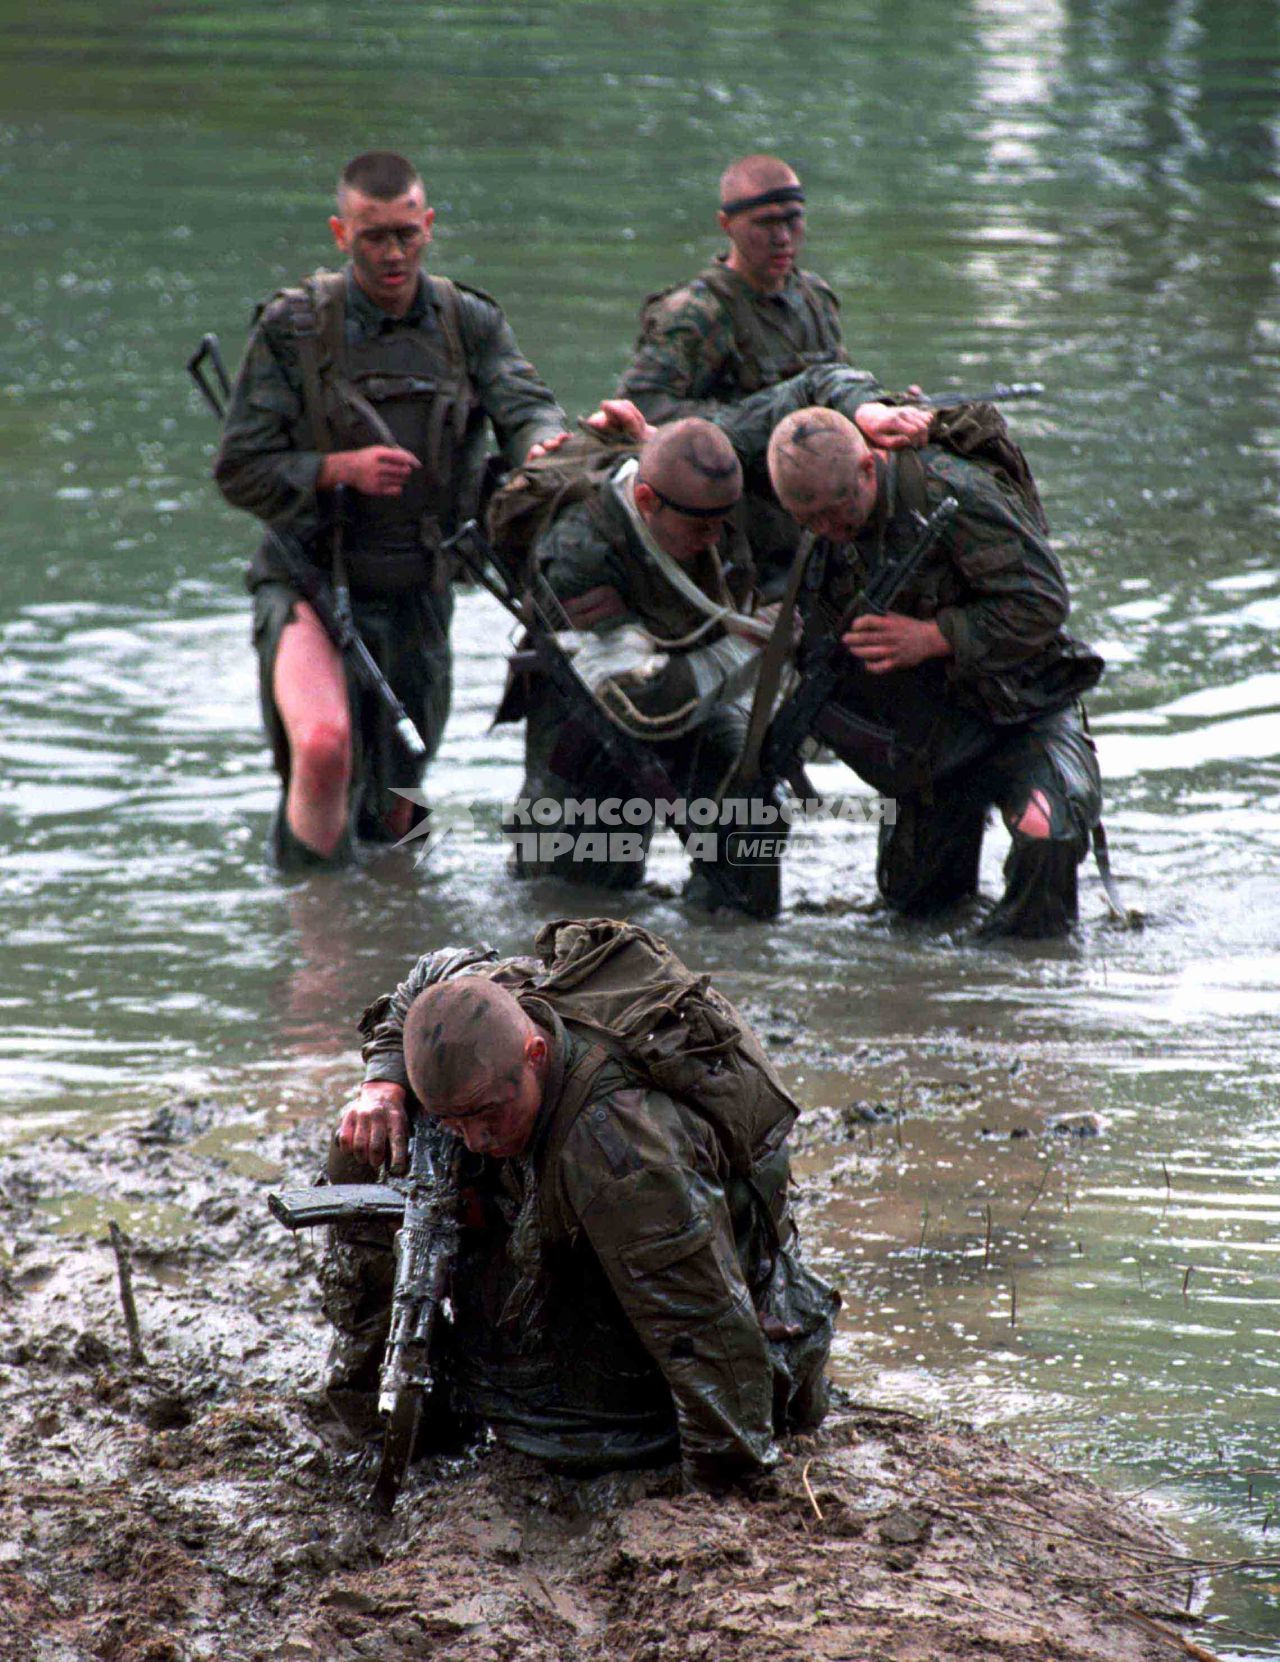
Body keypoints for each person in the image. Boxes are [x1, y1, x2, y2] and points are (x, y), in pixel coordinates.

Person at [321, 921, 839, 1488]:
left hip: (672, 1338)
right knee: (364, 1145)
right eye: (455, 1122)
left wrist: (723, 1477)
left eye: (489, 1114)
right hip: (590, 1247)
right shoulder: (494, 996)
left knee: (607, 1404)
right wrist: (384, 1083)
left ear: (535, 1055)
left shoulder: (618, 1146)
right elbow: (424, 980)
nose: (476, 1140)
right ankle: (388, 1415)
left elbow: (701, 1323)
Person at [214, 150, 566, 871]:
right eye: (374, 236)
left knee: (401, 796)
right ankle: (316, 942)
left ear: (428, 225)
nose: (393, 252)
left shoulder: (468, 322)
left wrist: (545, 449)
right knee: (322, 749)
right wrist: (336, 469)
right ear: (341, 233)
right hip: (310, 573)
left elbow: (525, 407)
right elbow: (239, 471)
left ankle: (392, 936)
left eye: (407, 233)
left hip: (419, 585)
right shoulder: (296, 328)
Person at [503, 376, 928, 914]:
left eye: (722, 524)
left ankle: (726, 959)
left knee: (750, 821)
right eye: (697, 528)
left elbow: (805, 392)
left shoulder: (719, 460)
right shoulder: (578, 552)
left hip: (704, 685)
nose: (714, 539)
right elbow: (647, 705)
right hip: (592, 716)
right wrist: (759, 640)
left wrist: (862, 409)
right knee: (570, 896)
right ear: (646, 501)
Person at [761, 404, 1105, 938]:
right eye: (810, 522)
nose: (829, 530)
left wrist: (932, 637)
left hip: (1021, 710)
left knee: (1047, 833)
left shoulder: (954, 494)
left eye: (839, 511)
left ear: (869, 468)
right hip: (929, 744)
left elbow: (1042, 601)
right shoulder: (821, 535)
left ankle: (1021, 987)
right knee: (915, 918)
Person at [616, 155, 849, 589]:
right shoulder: (696, 313)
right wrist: (758, 421)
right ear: (727, 224)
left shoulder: (816, 300)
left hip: (809, 523)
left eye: (793, 220)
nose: (782, 238)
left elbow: (838, 385)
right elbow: (644, 412)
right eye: (764, 223)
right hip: (732, 531)